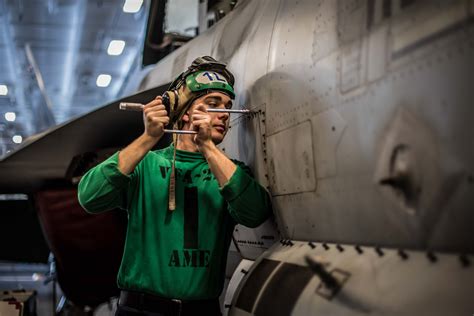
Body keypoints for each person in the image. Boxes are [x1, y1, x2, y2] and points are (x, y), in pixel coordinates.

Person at [77, 56, 272, 316]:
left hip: (201, 311)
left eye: (227, 106)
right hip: (140, 310)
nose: (224, 114)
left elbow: (255, 213)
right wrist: (148, 138)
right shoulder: (145, 166)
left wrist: (207, 148)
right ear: (186, 111)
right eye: (213, 104)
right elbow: (90, 197)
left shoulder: (229, 172)